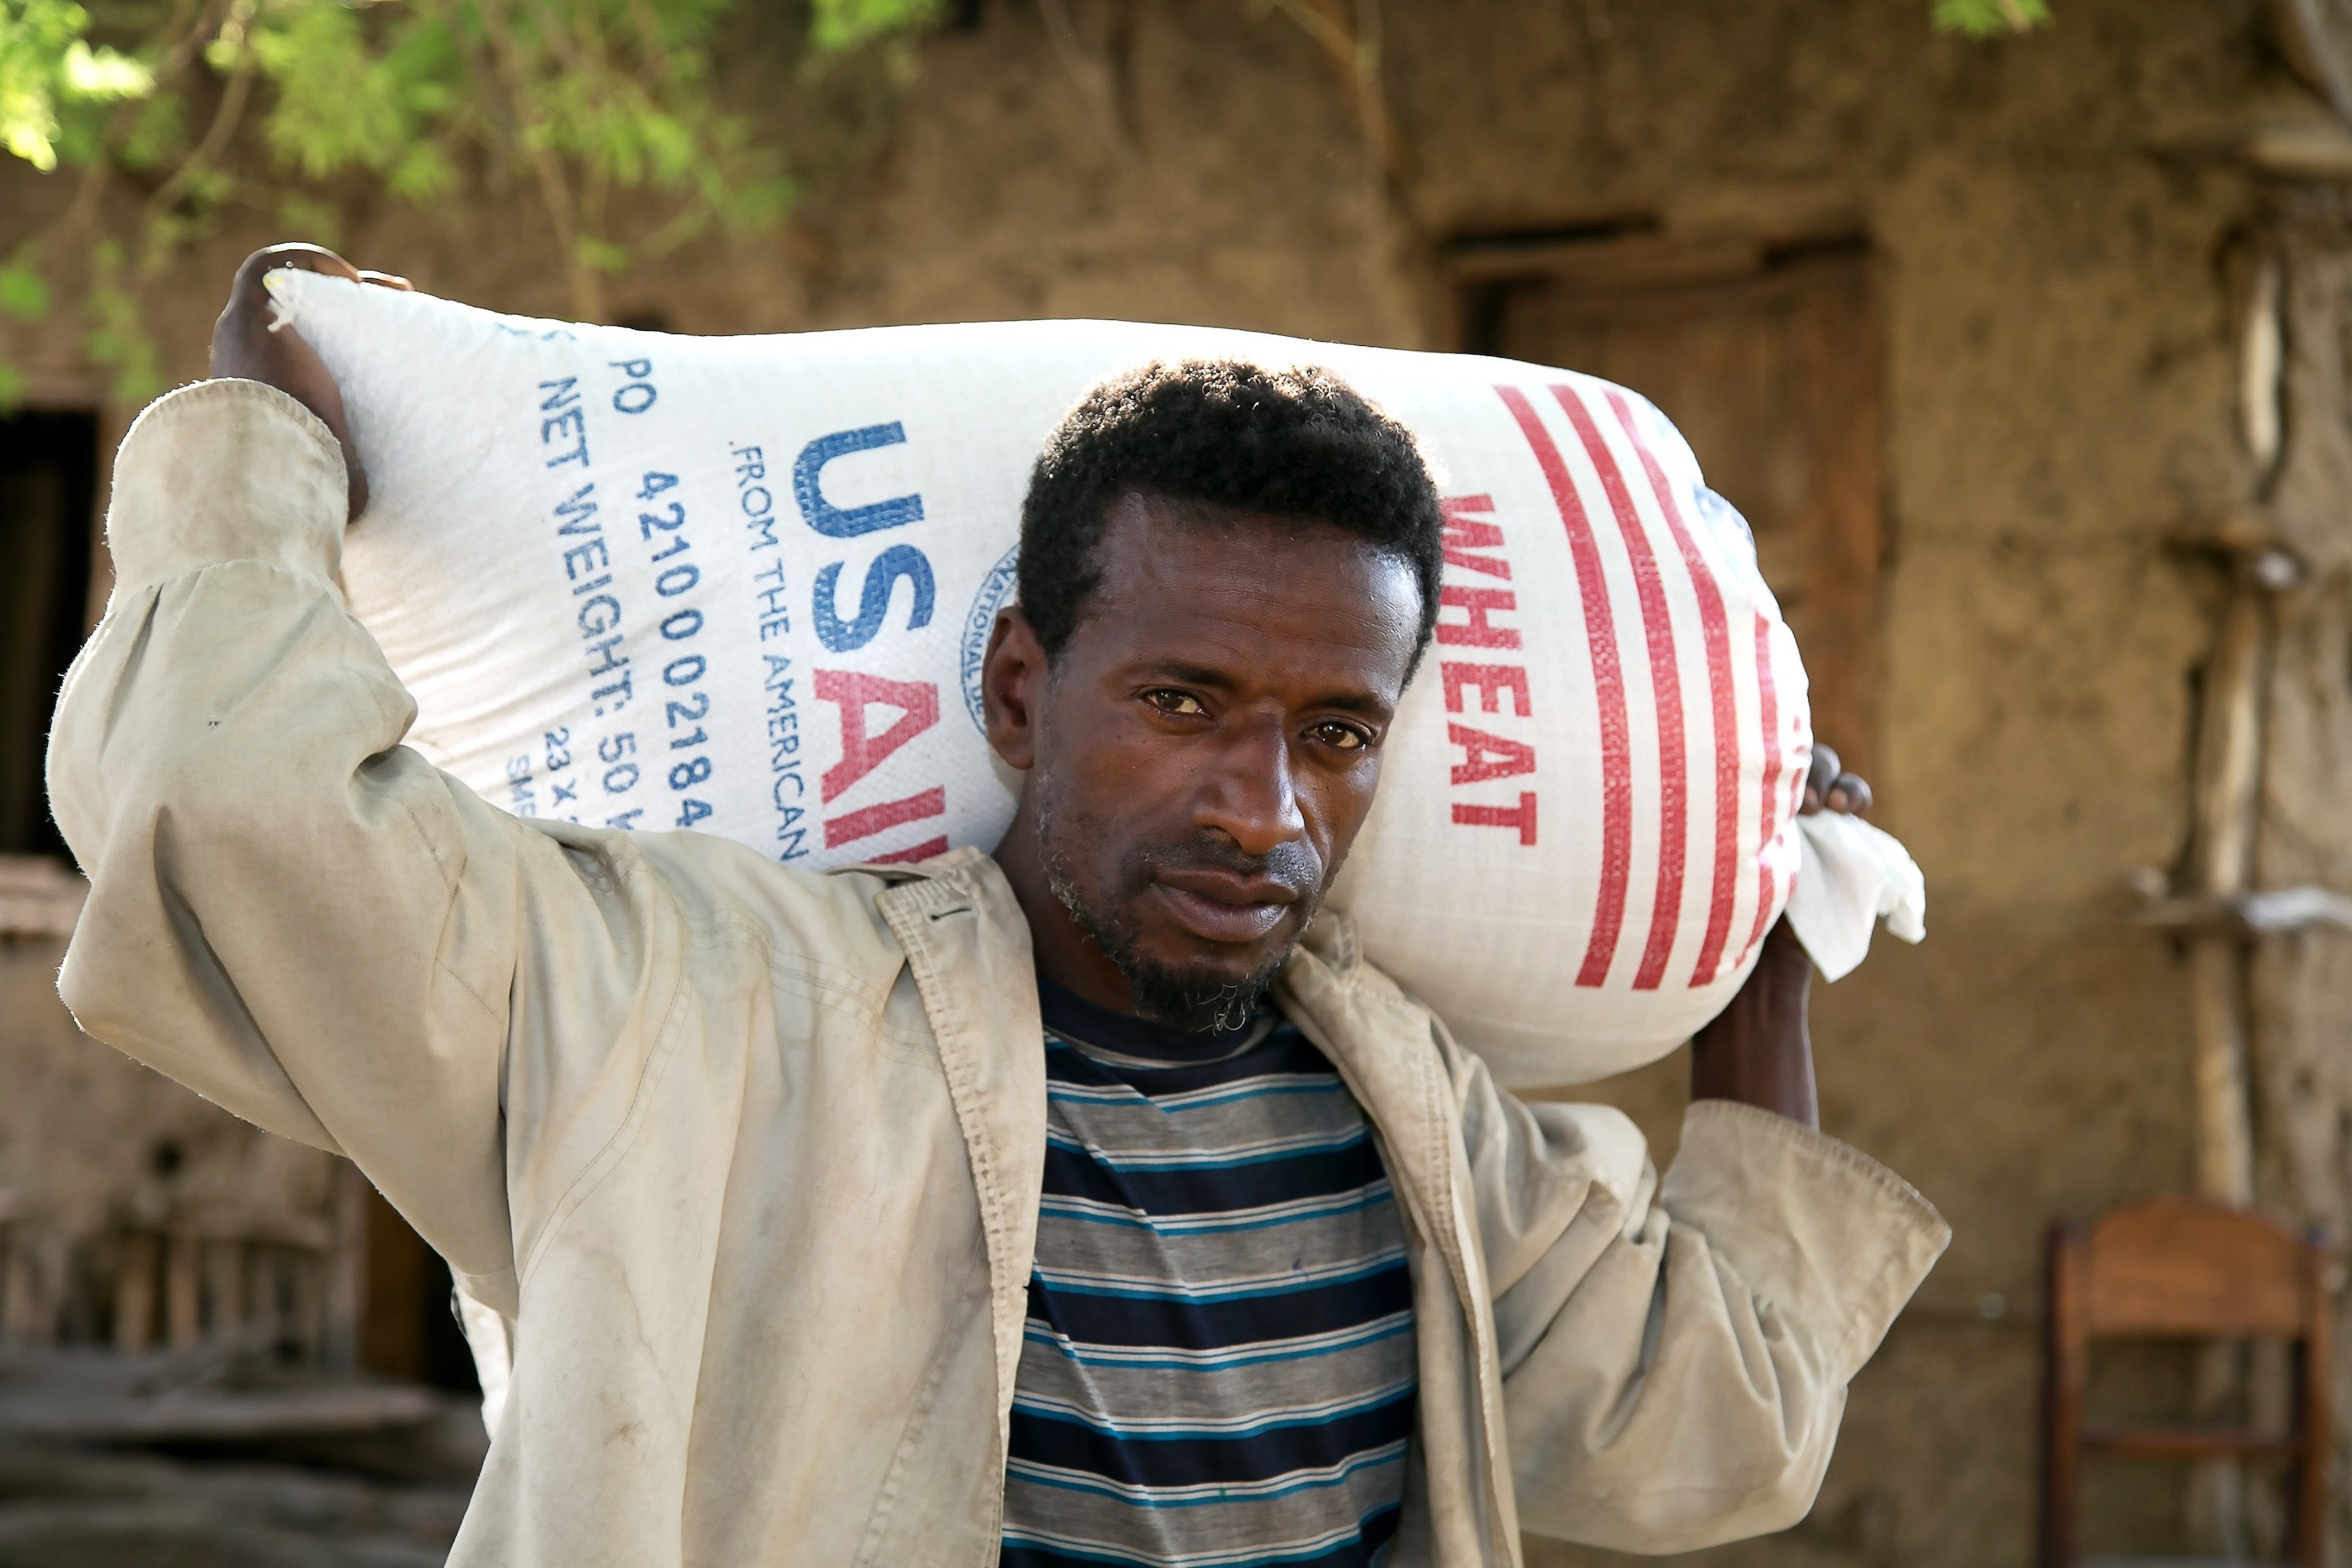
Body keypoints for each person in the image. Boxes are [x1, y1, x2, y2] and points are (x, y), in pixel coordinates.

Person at [47, 244, 1945, 1568]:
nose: (1263, 808)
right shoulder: (701, 1012)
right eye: (1182, 702)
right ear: (1023, 691)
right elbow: (225, 807)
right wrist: (257, 452)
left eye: (1337, 731)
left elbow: (1719, 1421)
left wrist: (1763, 939)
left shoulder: (1407, 1119)